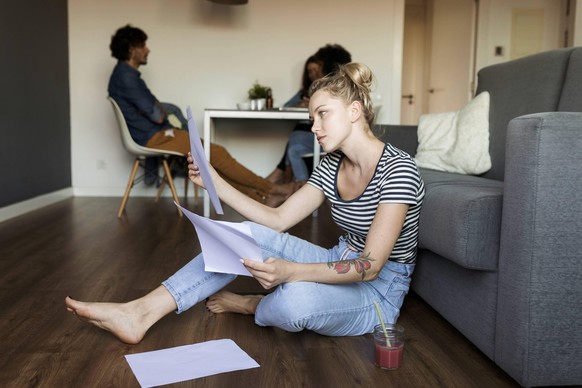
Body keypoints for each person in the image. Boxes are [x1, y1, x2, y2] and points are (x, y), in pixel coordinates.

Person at [65, 62, 425, 343]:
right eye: (310, 117)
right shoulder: (331, 164)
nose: (313, 126)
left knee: (294, 302)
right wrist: (215, 183)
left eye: (322, 114)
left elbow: (371, 267)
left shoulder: (399, 170)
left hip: (378, 291)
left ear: (354, 111)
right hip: (336, 259)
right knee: (243, 234)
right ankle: (140, 312)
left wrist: (290, 271)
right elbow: (279, 218)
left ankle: (250, 303)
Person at [108, 24, 294, 206]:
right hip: (154, 137)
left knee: (213, 161)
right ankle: (271, 189)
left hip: (155, 135)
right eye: (143, 45)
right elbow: (157, 115)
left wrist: (157, 107)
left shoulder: (125, 75)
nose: (147, 50)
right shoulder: (126, 77)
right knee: (217, 154)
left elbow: (154, 109)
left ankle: (261, 198)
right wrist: (158, 108)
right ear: (132, 49)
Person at [267, 44, 352, 184]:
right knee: (295, 142)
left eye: (318, 67)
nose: (315, 72)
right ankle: (292, 184)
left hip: (332, 140)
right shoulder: (322, 89)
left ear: (326, 66)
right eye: (311, 71)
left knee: (295, 138)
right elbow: (286, 106)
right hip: (323, 137)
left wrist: (315, 106)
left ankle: (291, 183)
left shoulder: (334, 91)